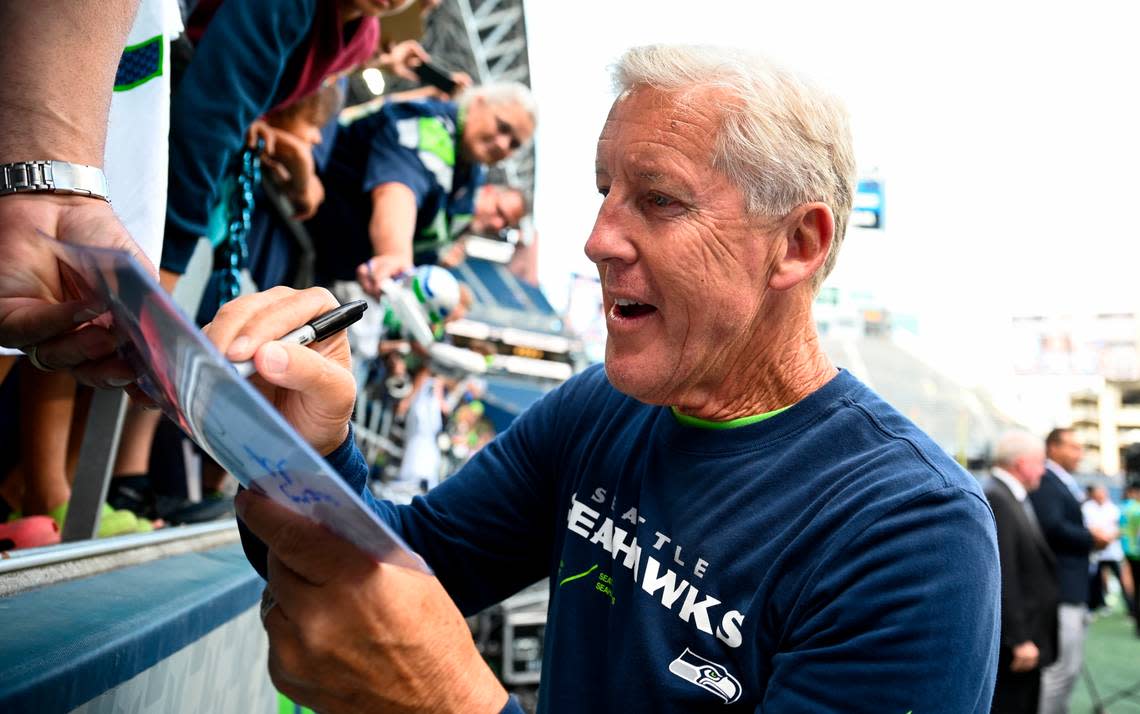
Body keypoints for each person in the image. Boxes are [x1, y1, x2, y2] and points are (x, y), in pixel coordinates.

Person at [225, 45, 1001, 712]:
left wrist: (453, 701)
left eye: (658, 200)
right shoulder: (600, 409)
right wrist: (301, 445)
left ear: (796, 244)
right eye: (604, 192)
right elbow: (407, 560)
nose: (598, 241)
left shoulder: (912, 534)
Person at [308, 83, 537, 293]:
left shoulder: (472, 176)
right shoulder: (430, 124)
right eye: (502, 127)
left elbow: (429, 247)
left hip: (326, 270)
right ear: (479, 102)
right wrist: (395, 255)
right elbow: (397, 189)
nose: (503, 144)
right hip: (295, 231)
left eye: (514, 144)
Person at [1030, 427, 1113, 714]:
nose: (1079, 454)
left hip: (1073, 587)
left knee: (1069, 669)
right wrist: (1092, 538)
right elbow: (1052, 527)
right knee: (1059, 671)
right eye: (1074, 447)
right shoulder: (1047, 480)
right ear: (1053, 447)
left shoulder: (1061, 481)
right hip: (1061, 589)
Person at [985, 430, 1059, 713]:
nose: (1043, 470)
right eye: (1040, 462)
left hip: (1029, 635)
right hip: (1017, 644)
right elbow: (1004, 575)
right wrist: (1019, 639)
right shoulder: (998, 497)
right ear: (1022, 463)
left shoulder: (1009, 496)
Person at [1082, 485, 1129, 615]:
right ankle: (1093, 606)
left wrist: (1109, 537)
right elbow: (1087, 526)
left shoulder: (1113, 508)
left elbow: (1121, 527)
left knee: (1122, 579)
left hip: (1113, 551)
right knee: (1094, 581)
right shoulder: (1087, 507)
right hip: (1095, 551)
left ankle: (1131, 609)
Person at [1122, 481, 1140, 635]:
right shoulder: (1137, 509)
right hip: (1136, 552)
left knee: (1135, 587)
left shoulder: (1125, 508)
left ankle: (1136, 619)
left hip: (1129, 552)